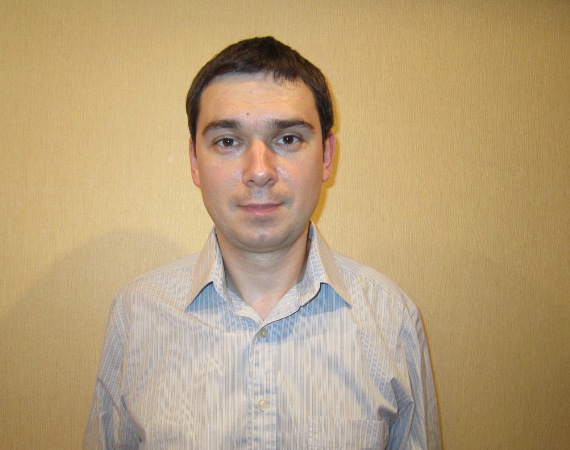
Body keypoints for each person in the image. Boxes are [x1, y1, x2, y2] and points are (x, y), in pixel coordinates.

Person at [84, 36, 441, 449]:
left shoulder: (392, 319)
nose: (259, 171)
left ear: (327, 156)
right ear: (195, 161)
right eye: (228, 141)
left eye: (287, 139)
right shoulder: (136, 315)